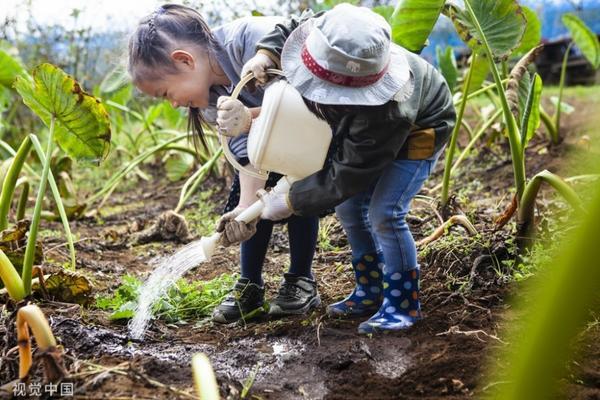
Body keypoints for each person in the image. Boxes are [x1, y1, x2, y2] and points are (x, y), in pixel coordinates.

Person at [218, 4, 456, 333]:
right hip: (371, 132)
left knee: (384, 213)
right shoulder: (332, 39)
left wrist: (289, 201)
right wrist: (264, 55)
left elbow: (346, 175)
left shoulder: (385, 113)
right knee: (349, 209)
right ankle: (369, 290)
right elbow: (291, 28)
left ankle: (403, 304)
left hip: (422, 128)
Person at [127, 4, 322, 324]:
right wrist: (246, 208)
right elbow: (247, 155)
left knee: (298, 188)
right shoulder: (209, 103)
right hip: (274, 143)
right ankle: (249, 284)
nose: (174, 104)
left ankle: (301, 278)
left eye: (167, 93)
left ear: (184, 60)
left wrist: (249, 118)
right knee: (248, 203)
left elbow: (308, 100)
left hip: (319, 131)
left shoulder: (252, 41)